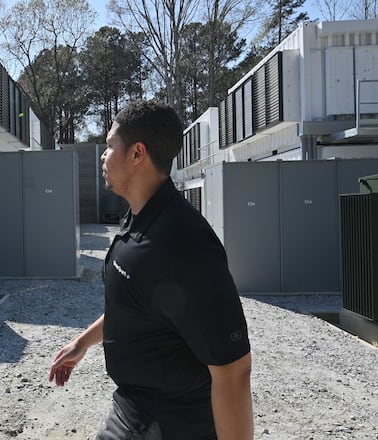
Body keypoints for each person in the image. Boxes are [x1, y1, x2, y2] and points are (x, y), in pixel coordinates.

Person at [48, 100, 253, 440]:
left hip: (169, 423)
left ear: (137, 153)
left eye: (110, 145)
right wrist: (82, 343)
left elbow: (233, 370)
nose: (102, 154)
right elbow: (136, 306)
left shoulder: (182, 242)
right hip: (133, 407)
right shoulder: (137, 219)